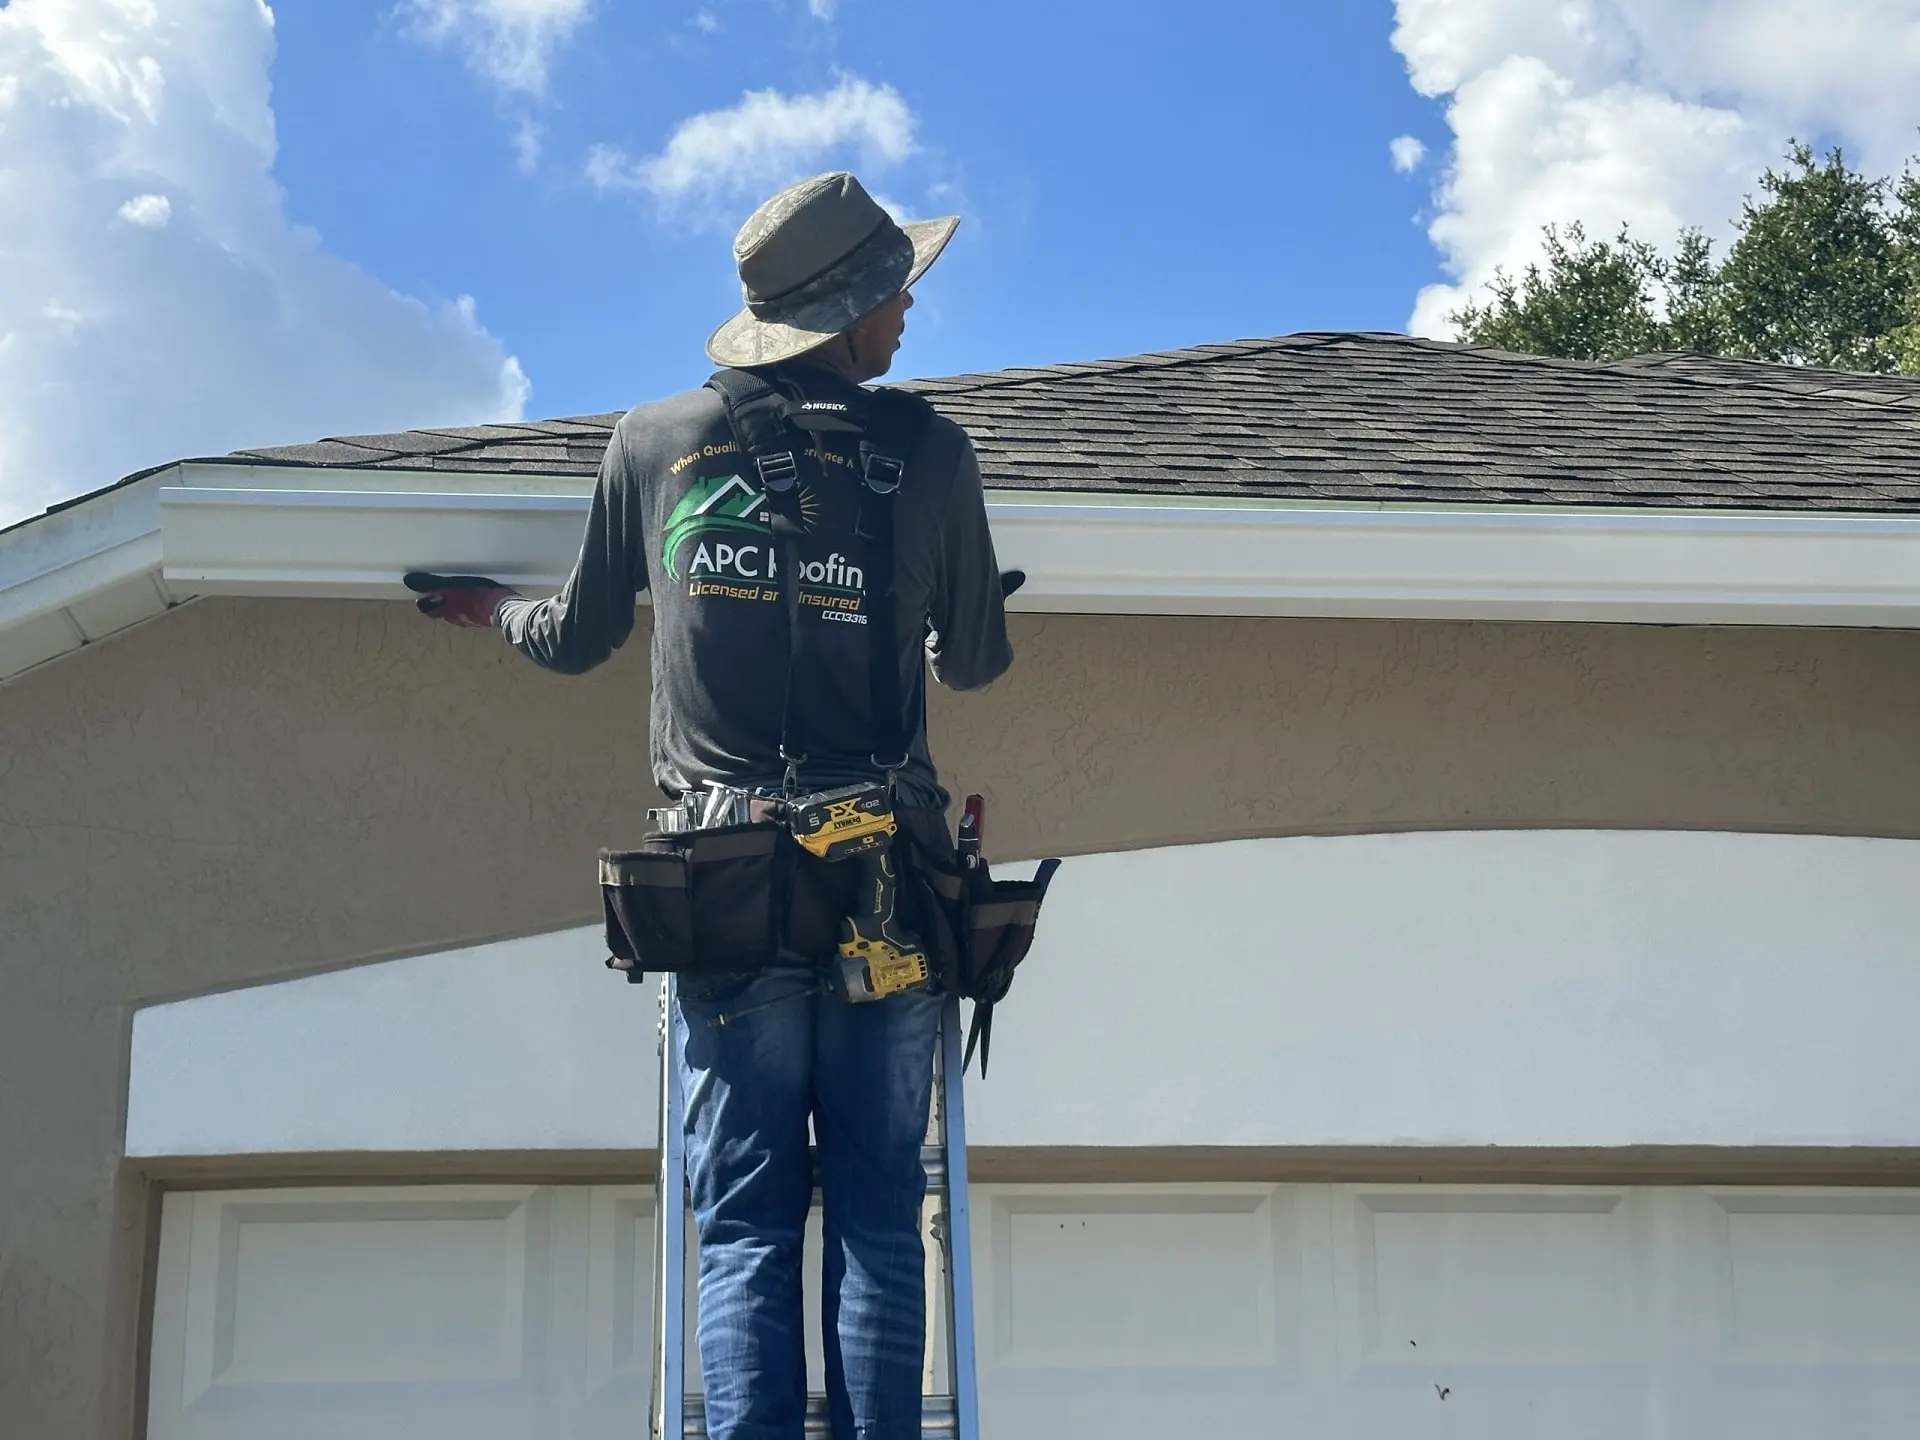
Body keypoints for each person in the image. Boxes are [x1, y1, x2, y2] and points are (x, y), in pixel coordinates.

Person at [417, 170, 1012, 1440]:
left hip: (728, 883)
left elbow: (578, 637)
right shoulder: (928, 451)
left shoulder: (655, 442)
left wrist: (489, 614)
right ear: (847, 311)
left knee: (741, 1224)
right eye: (896, 289)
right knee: (871, 1215)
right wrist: (942, 589)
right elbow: (974, 662)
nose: (908, 310)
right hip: (886, 893)